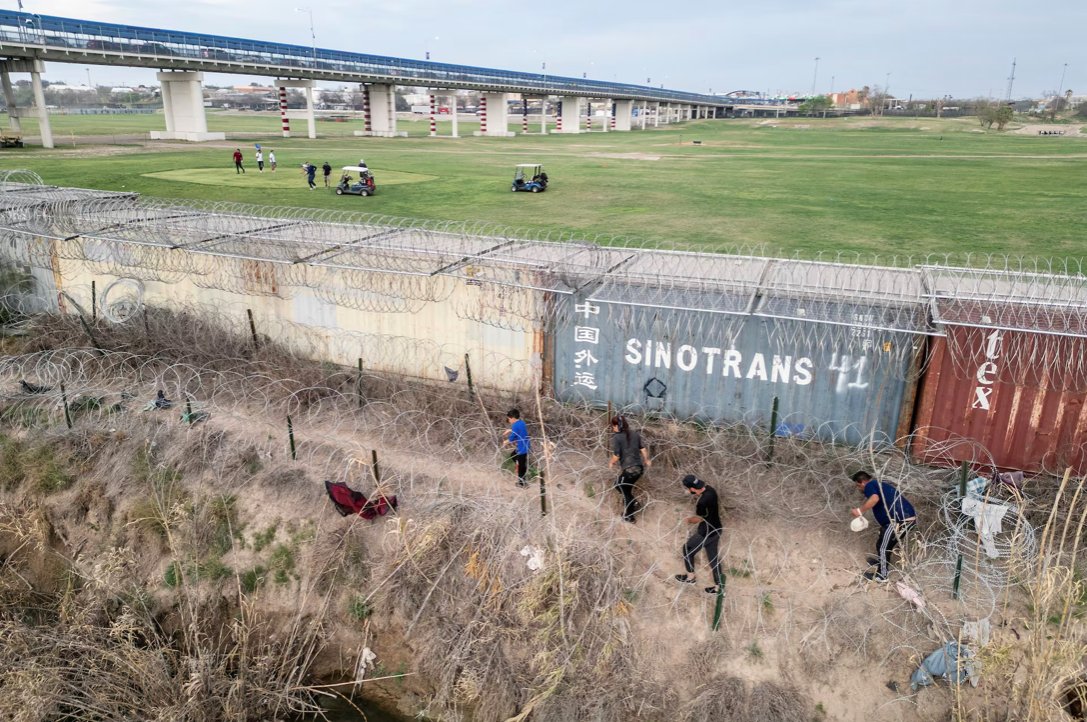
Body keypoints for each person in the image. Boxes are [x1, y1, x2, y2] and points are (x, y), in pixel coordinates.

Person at [850, 470, 917, 582]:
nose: (859, 489)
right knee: (883, 543)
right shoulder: (879, 485)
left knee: (883, 546)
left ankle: (882, 576)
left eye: (858, 486)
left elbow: (874, 498)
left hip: (899, 520)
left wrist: (860, 511)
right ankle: (882, 563)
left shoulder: (870, 485)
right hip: (901, 519)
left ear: (862, 482)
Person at [675, 475, 724, 594]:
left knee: (687, 550)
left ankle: (690, 578)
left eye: (688, 489)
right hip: (717, 529)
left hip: (706, 532)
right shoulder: (711, 490)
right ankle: (719, 587)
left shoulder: (702, 502)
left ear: (692, 489)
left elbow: (699, 518)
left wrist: (689, 520)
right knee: (713, 559)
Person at [608, 414, 650, 522]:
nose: (613, 429)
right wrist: (646, 460)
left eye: (613, 426)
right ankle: (634, 503)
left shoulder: (617, 437)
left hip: (629, 470)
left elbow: (616, 455)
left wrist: (611, 463)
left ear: (617, 426)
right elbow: (643, 449)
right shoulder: (635, 434)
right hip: (639, 469)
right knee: (625, 488)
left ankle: (630, 517)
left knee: (620, 487)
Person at [502, 408, 530, 487]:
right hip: (525, 445)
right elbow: (518, 431)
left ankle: (522, 484)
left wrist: (505, 442)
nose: (509, 421)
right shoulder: (521, 423)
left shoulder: (515, 426)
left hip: (522, 448)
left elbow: (512, 438)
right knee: (514, 456)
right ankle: (519, 465)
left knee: (521, 467)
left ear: (513, 418)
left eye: (509, 419)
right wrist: (510, 430)